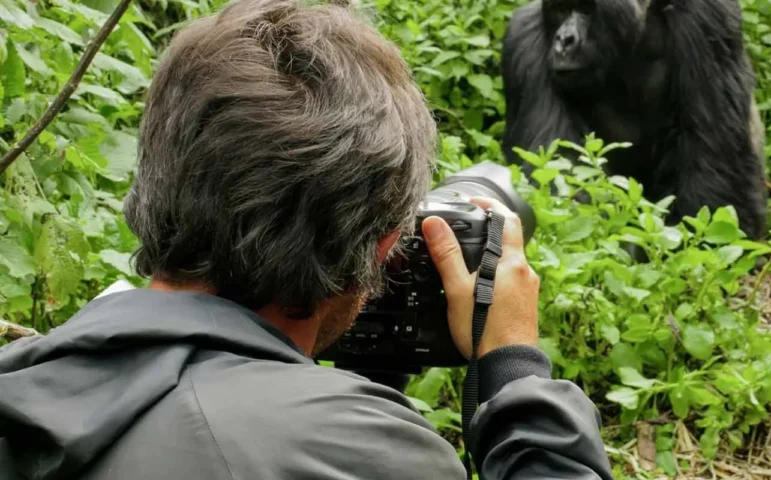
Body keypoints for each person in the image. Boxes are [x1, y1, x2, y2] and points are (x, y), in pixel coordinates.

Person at [0, 0, 613, 478]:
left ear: (154, 179)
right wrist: (516, 373)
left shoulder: (25, 386)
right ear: (380, 251)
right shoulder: (363, 454)